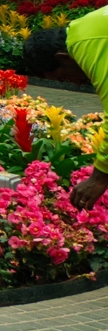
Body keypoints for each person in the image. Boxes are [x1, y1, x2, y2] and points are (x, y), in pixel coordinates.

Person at [21, 13, 108, 209]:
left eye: (66, 78)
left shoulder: (91, 47)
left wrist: (99, 177)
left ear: (64, 58)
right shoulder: (83, 27)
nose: (76, 83)